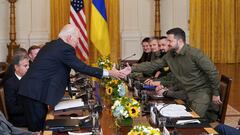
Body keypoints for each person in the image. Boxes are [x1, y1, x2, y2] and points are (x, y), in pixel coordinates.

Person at [18, 24, 126, 131]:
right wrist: (110, 73)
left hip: (33, 92)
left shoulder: (53, 45)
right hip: (34, 93)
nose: (78, 42)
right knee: (39, 130)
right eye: (77, 39)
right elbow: (82, 68)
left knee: (42, 127)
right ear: (69, 38)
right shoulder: (64, 48)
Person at [121, 27, 222, 120]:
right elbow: (153, 65)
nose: (168, 43)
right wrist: (132, 69)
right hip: (184, 92)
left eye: (170, 41)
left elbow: (213, 72)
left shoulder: (195, 54)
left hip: (201, 93)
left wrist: (216, 93)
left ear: (180, 41)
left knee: (189, 121)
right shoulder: (171, 55)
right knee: (167, 116)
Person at [4, 54, 29, 127]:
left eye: (28, 65)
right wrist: (31, 106)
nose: (28, 68)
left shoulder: (29, 79)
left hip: (31, 114)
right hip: (21, 120)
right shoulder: (10, 84)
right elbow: (13, 109)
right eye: (25, 66)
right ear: (16, 67)